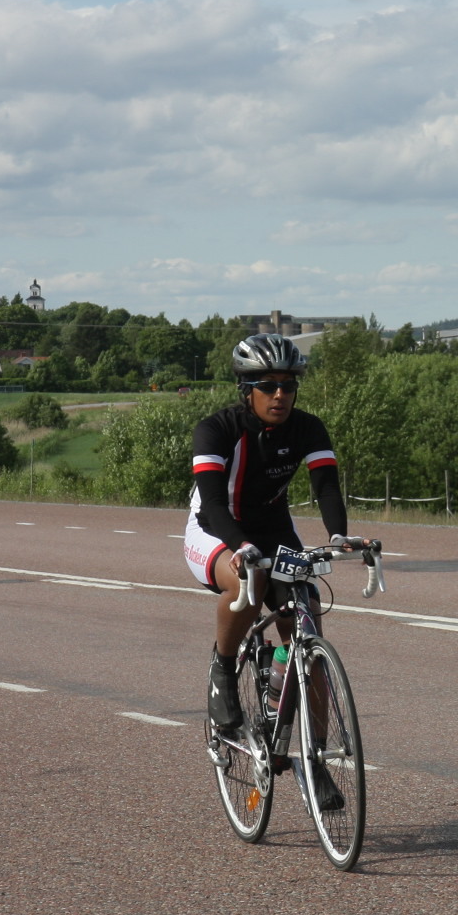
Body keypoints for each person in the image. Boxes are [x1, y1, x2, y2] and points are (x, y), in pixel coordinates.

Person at [183, 333, 351, 805]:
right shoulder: (216, 430)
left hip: (275, 530)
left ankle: (313, 758)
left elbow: (326, 486)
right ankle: (223, 669)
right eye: (268, 385)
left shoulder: (308, 428)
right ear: (247, 389)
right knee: (249, 582)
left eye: (288, 386)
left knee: (306, 621)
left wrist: (339, 537)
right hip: (215, 529)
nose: (280, 395)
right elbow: (214, 503)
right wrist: (240, 546)